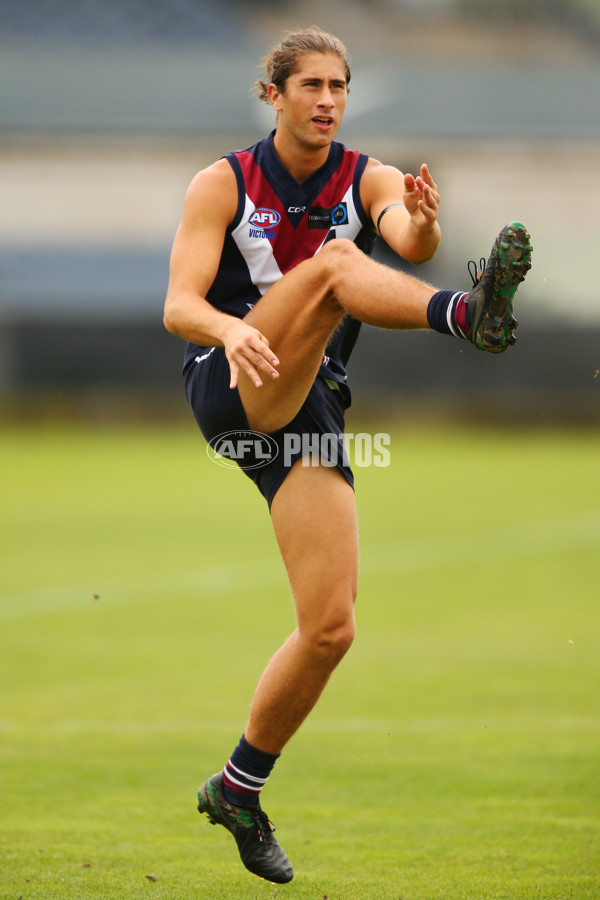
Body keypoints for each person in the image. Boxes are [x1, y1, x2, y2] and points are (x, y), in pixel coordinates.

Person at [163, 27, 532, 884]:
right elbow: (180, 303)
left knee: (331, 627)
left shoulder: (366, 174)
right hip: (232, 377)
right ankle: (467, 319)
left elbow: (405, 237)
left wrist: (428, 224)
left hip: (310, 402)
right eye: (311, 85)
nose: (328, 100)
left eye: (340, 85)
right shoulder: (220, 184)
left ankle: (239, 787)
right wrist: (232, 331)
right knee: (333, 264)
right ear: (273, 95)